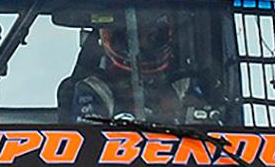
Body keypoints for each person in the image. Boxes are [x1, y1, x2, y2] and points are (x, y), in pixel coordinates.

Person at [59, 9, 215, 123]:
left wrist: (183, 111)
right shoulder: (95, 88)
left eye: (153, 36)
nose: (141, 46)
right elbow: (91, 139)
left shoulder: (185, 83)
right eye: (130, 37)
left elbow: (212, 123)